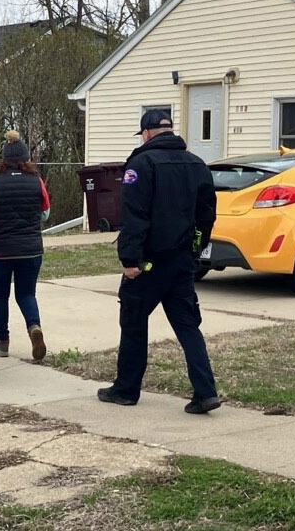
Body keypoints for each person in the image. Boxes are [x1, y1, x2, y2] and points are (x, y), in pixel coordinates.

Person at [97, 110, 220, 414]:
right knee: (188, 326)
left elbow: (134, 214)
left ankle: (126, 389)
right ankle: (206, 392)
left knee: (134, 322)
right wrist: (196, 249)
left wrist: (130, 258)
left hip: (149, 263)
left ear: (147, 133)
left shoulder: (141, 164)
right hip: (181, 262)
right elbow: (206, 216)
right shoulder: (197, 164)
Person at [0, 130, 50, 359]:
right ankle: (34, 326)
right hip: (30, 248)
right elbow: (45, 213)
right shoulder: (36, 181)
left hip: (0, 250)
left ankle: (2, 342)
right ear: (26, 159)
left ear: (4, 159)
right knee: (27, 294)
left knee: (0, 296)